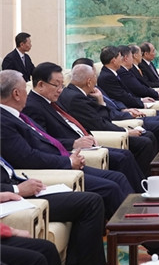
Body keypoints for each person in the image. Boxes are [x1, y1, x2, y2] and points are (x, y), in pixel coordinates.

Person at [0, 69, 132, 219]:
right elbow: (27, 157)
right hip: (49, 169)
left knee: (117, 177)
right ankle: (131, 226)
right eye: (25, 89)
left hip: (62, 157)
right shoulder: (5, 120)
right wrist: (68, 161)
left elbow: (46, 139)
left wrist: (70, 156)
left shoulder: (17, 115)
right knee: (109, 188)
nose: (27, 93)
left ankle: (138, 216)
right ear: (16, 94)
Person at [26, 62, 152, 183]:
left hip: (86, 141)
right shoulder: (33, 106)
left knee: (126, 155)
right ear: (41, 85)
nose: (60, 90)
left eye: (62, 85)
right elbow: (44, 140)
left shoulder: (51, 100)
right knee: (121, 164)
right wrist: (74, 143)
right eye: (56, 85)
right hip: (71, 150)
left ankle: (143, 189)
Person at [1, 161, 107, 265]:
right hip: (11, 199)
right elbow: (25, 156)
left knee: (47, 249)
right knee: (92, 202)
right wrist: (16, 189)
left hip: (16, 189)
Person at [70, 57, 159, 151]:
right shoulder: (82, 95)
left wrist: (123, 109)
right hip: (117, 121)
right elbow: (103, 118)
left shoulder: (93, 88)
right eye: (94, 73)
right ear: (87, 78)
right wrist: (126, 129)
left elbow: (113, 100)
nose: (96, 76)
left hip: (121, 113)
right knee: (152, 134)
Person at [97, 46, 159, 125]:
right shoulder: (107, 77)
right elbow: (122, 96)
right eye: (119, 57)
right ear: (114, 60)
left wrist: (141, 100)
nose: (121, 59)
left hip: (130, 106)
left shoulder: (112, 73)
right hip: (127, 109)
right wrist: (140, 103)